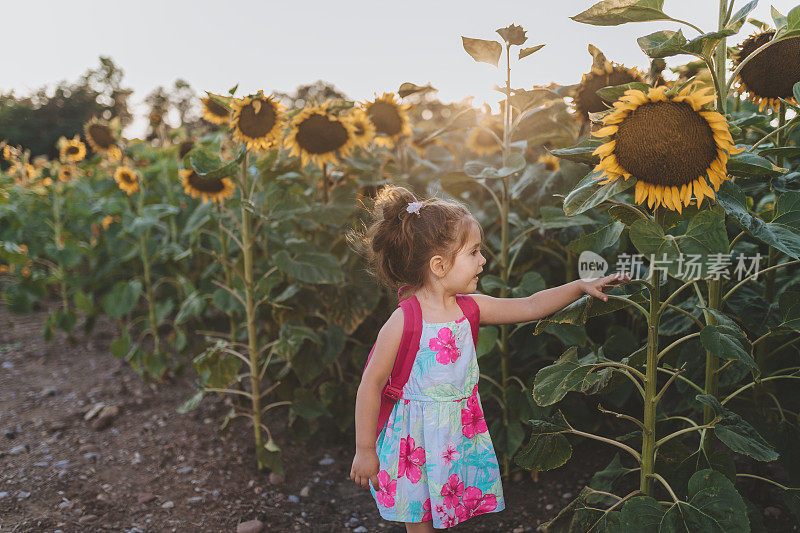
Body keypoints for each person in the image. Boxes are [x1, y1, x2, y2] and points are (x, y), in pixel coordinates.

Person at [349, 185, 631, 531]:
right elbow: (371, 383)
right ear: (439, 265)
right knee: (418, 518)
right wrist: (365, 449)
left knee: (446, 510)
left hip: (455, 432)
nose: (483, 260)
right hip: (415, 438)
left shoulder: (471, 308)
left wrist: (578, 286)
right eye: (474, 252)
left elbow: (529, 305)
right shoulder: (405, 320)